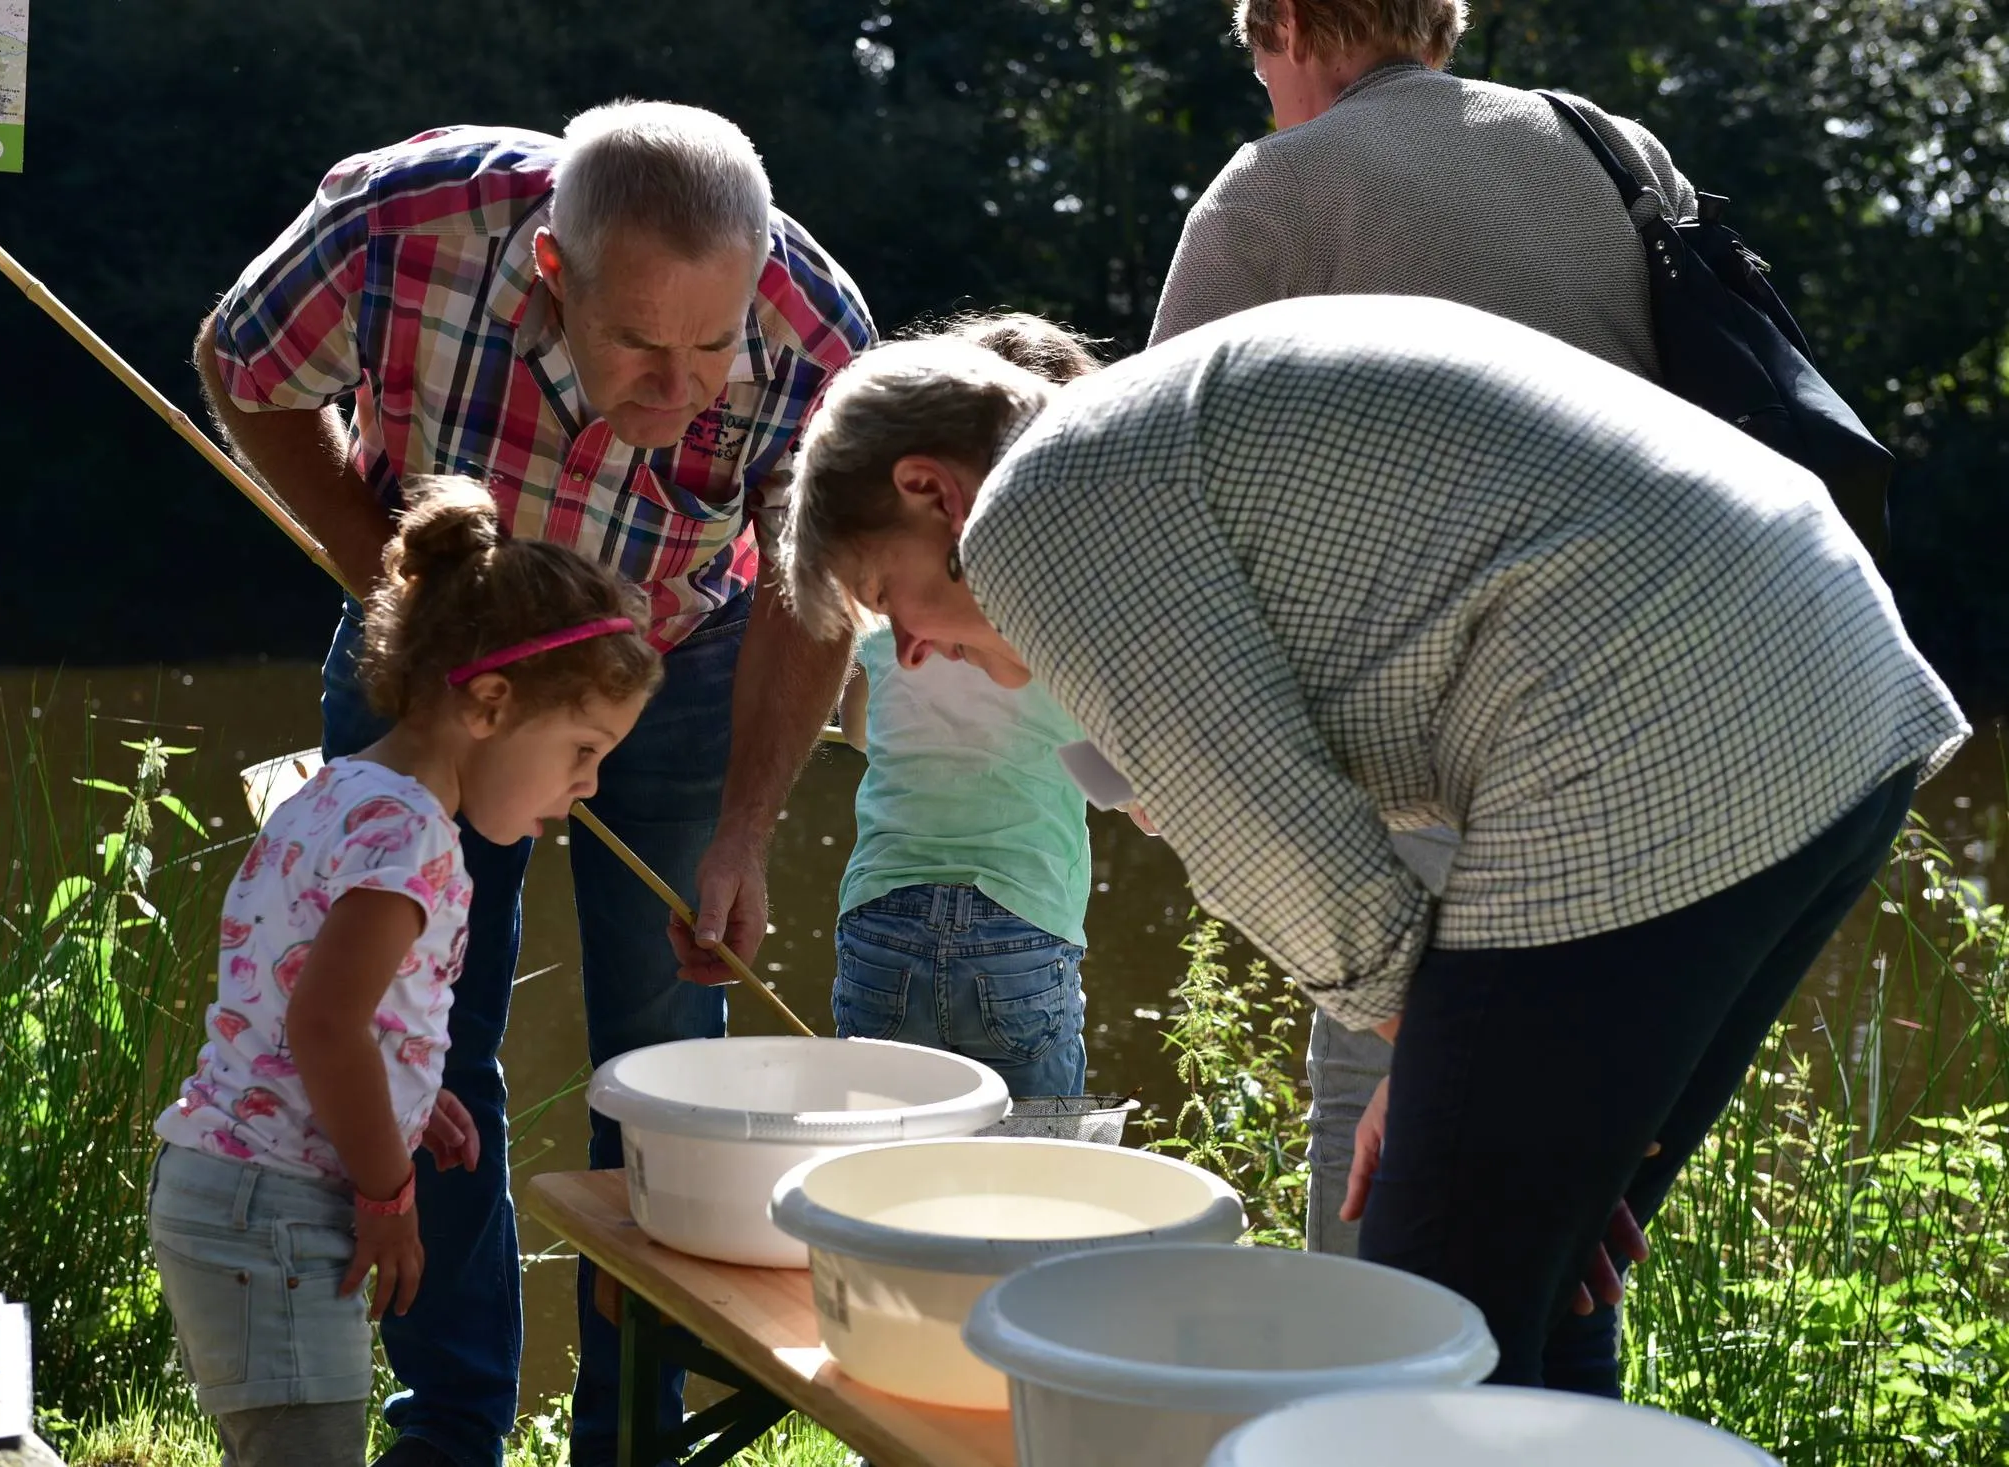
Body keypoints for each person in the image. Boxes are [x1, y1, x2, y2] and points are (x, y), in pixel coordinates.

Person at [774, 298, 1968, 1395]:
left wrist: (1433, 1047)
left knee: (1422, 1319)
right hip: (1824, 696)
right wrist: (1456, 1061)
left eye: (891, 597)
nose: (913, 652)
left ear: (933, 489)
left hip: (1655, 720)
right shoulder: (1142, 440)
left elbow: (1263, 830)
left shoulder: (1041, 502)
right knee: (1534, 1278)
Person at [194, 103, 873, 1467]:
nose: (682, 386)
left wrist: (743, 828)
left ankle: (631, 1432)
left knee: (664, 1061)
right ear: (555, 278)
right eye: (638, 341)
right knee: (420, 1043)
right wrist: (390, 582)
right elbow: (241, 363)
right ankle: (448, 1425)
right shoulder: (399, 227)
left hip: (679, 659)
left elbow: (814, 581)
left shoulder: (816, 333)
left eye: (709, 346)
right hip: (446, 668)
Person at [1149, 0, 1703, 1262]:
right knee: (1572, 1163)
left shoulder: (1272, 192)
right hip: (1665, 729)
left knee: (1377, 1129)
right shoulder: (1611, 146)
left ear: (1284, 21)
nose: (1262, 88)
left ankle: (1352, 1423)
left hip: (1450, 736)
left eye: (1255, 56)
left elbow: (1138, 494)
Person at [149, 480, 660, 1467]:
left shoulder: (343, 789)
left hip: (232, 1186)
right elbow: (324, 1026)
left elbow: (294, 992)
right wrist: (389, 1196)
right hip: (279, 1211)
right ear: (493, 704)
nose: (588, 786)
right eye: (583, 750)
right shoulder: (413, 838)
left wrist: (408, 1095)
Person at [832, 313, 1102, 1099]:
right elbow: (1114, 770)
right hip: (1023, 922)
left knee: (879, 1167)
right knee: (1030, 1172)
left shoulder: (894, 601)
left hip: (883, 912)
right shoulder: (1070, 620)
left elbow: (857, 724)